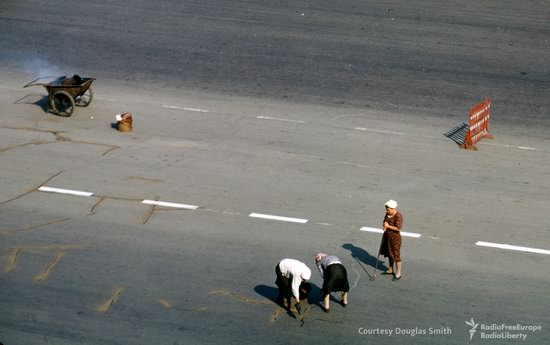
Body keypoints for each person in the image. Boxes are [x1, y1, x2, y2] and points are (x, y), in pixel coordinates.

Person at [380, 199, 404, 281]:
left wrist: (388, 226)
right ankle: (390, 269)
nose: (387, 211)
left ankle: (398, 273)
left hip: (395, 239)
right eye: (386, 210)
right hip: (387, 237)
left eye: (388, 210)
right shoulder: (387, 214)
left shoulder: (398, 216)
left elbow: (398, 228)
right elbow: (385, 222)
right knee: (389, 253)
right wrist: (384, 226)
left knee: (396, 255)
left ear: (393, 208)